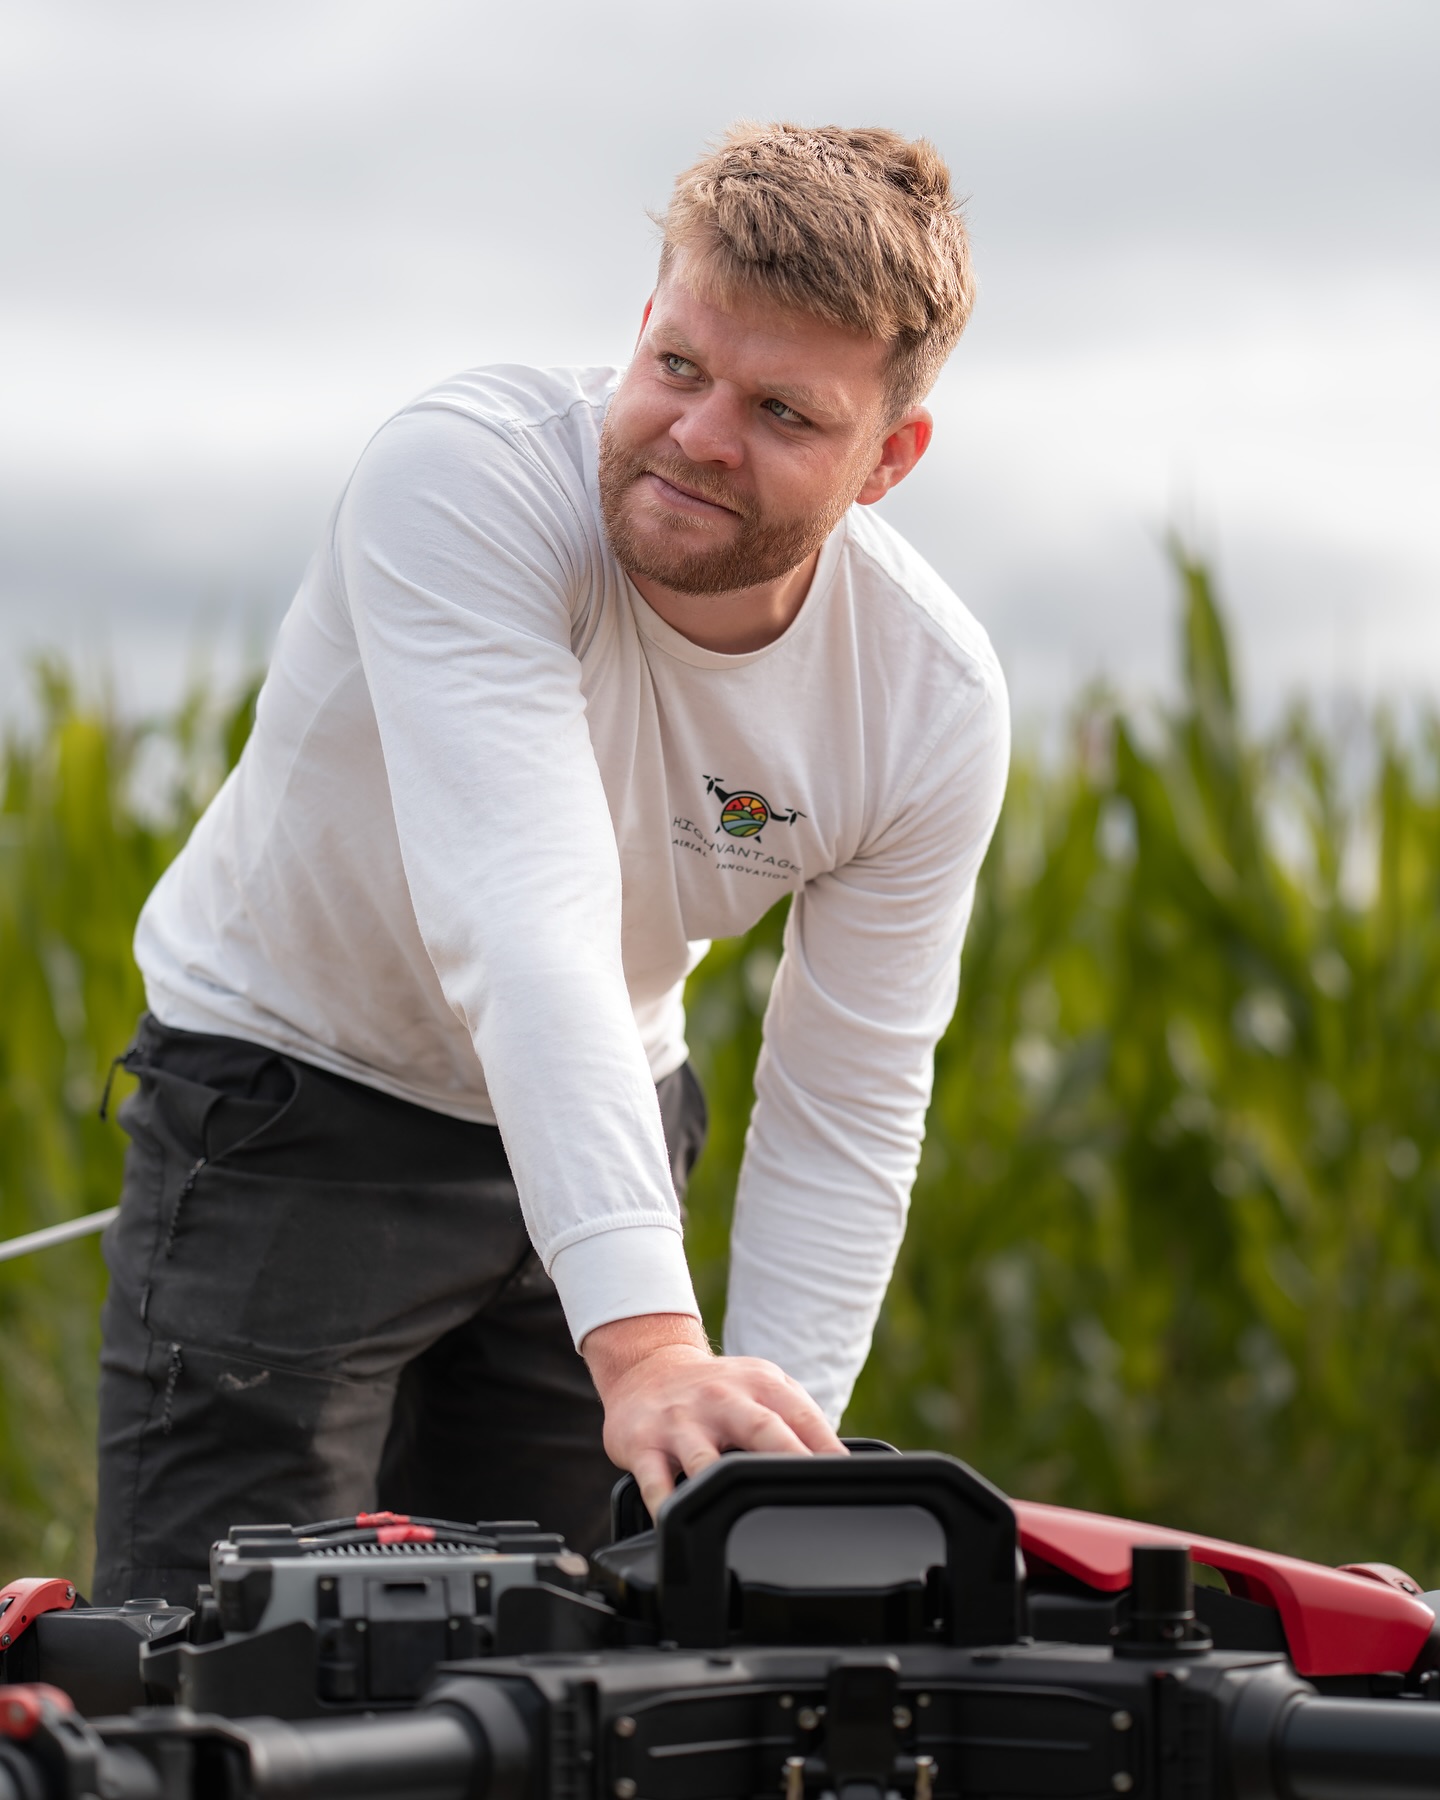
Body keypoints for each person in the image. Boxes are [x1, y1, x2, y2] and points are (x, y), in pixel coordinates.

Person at [93, 121, 1010, 1603]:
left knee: (575, 1677)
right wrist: (648, 1349)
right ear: (643, 323)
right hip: (291, 1108)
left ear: (889, 458)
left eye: (784, 411)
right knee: (228, 1661)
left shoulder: (927, 702)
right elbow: (528, 923)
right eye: (683, 370)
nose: (704, 436)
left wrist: (760, 1454)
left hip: (601, 1142)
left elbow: (848, 1100)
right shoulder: (462, 482)